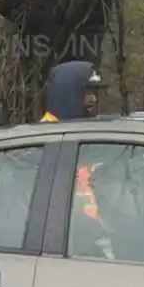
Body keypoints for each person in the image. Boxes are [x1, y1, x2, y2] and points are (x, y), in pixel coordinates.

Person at [39, 61, 104, 220]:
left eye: (94, 92)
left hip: (85, 234)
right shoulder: (45, 138)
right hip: (64, 238)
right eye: (87, 92)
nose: (93, 99)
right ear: (68, 92)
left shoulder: (77, 133)